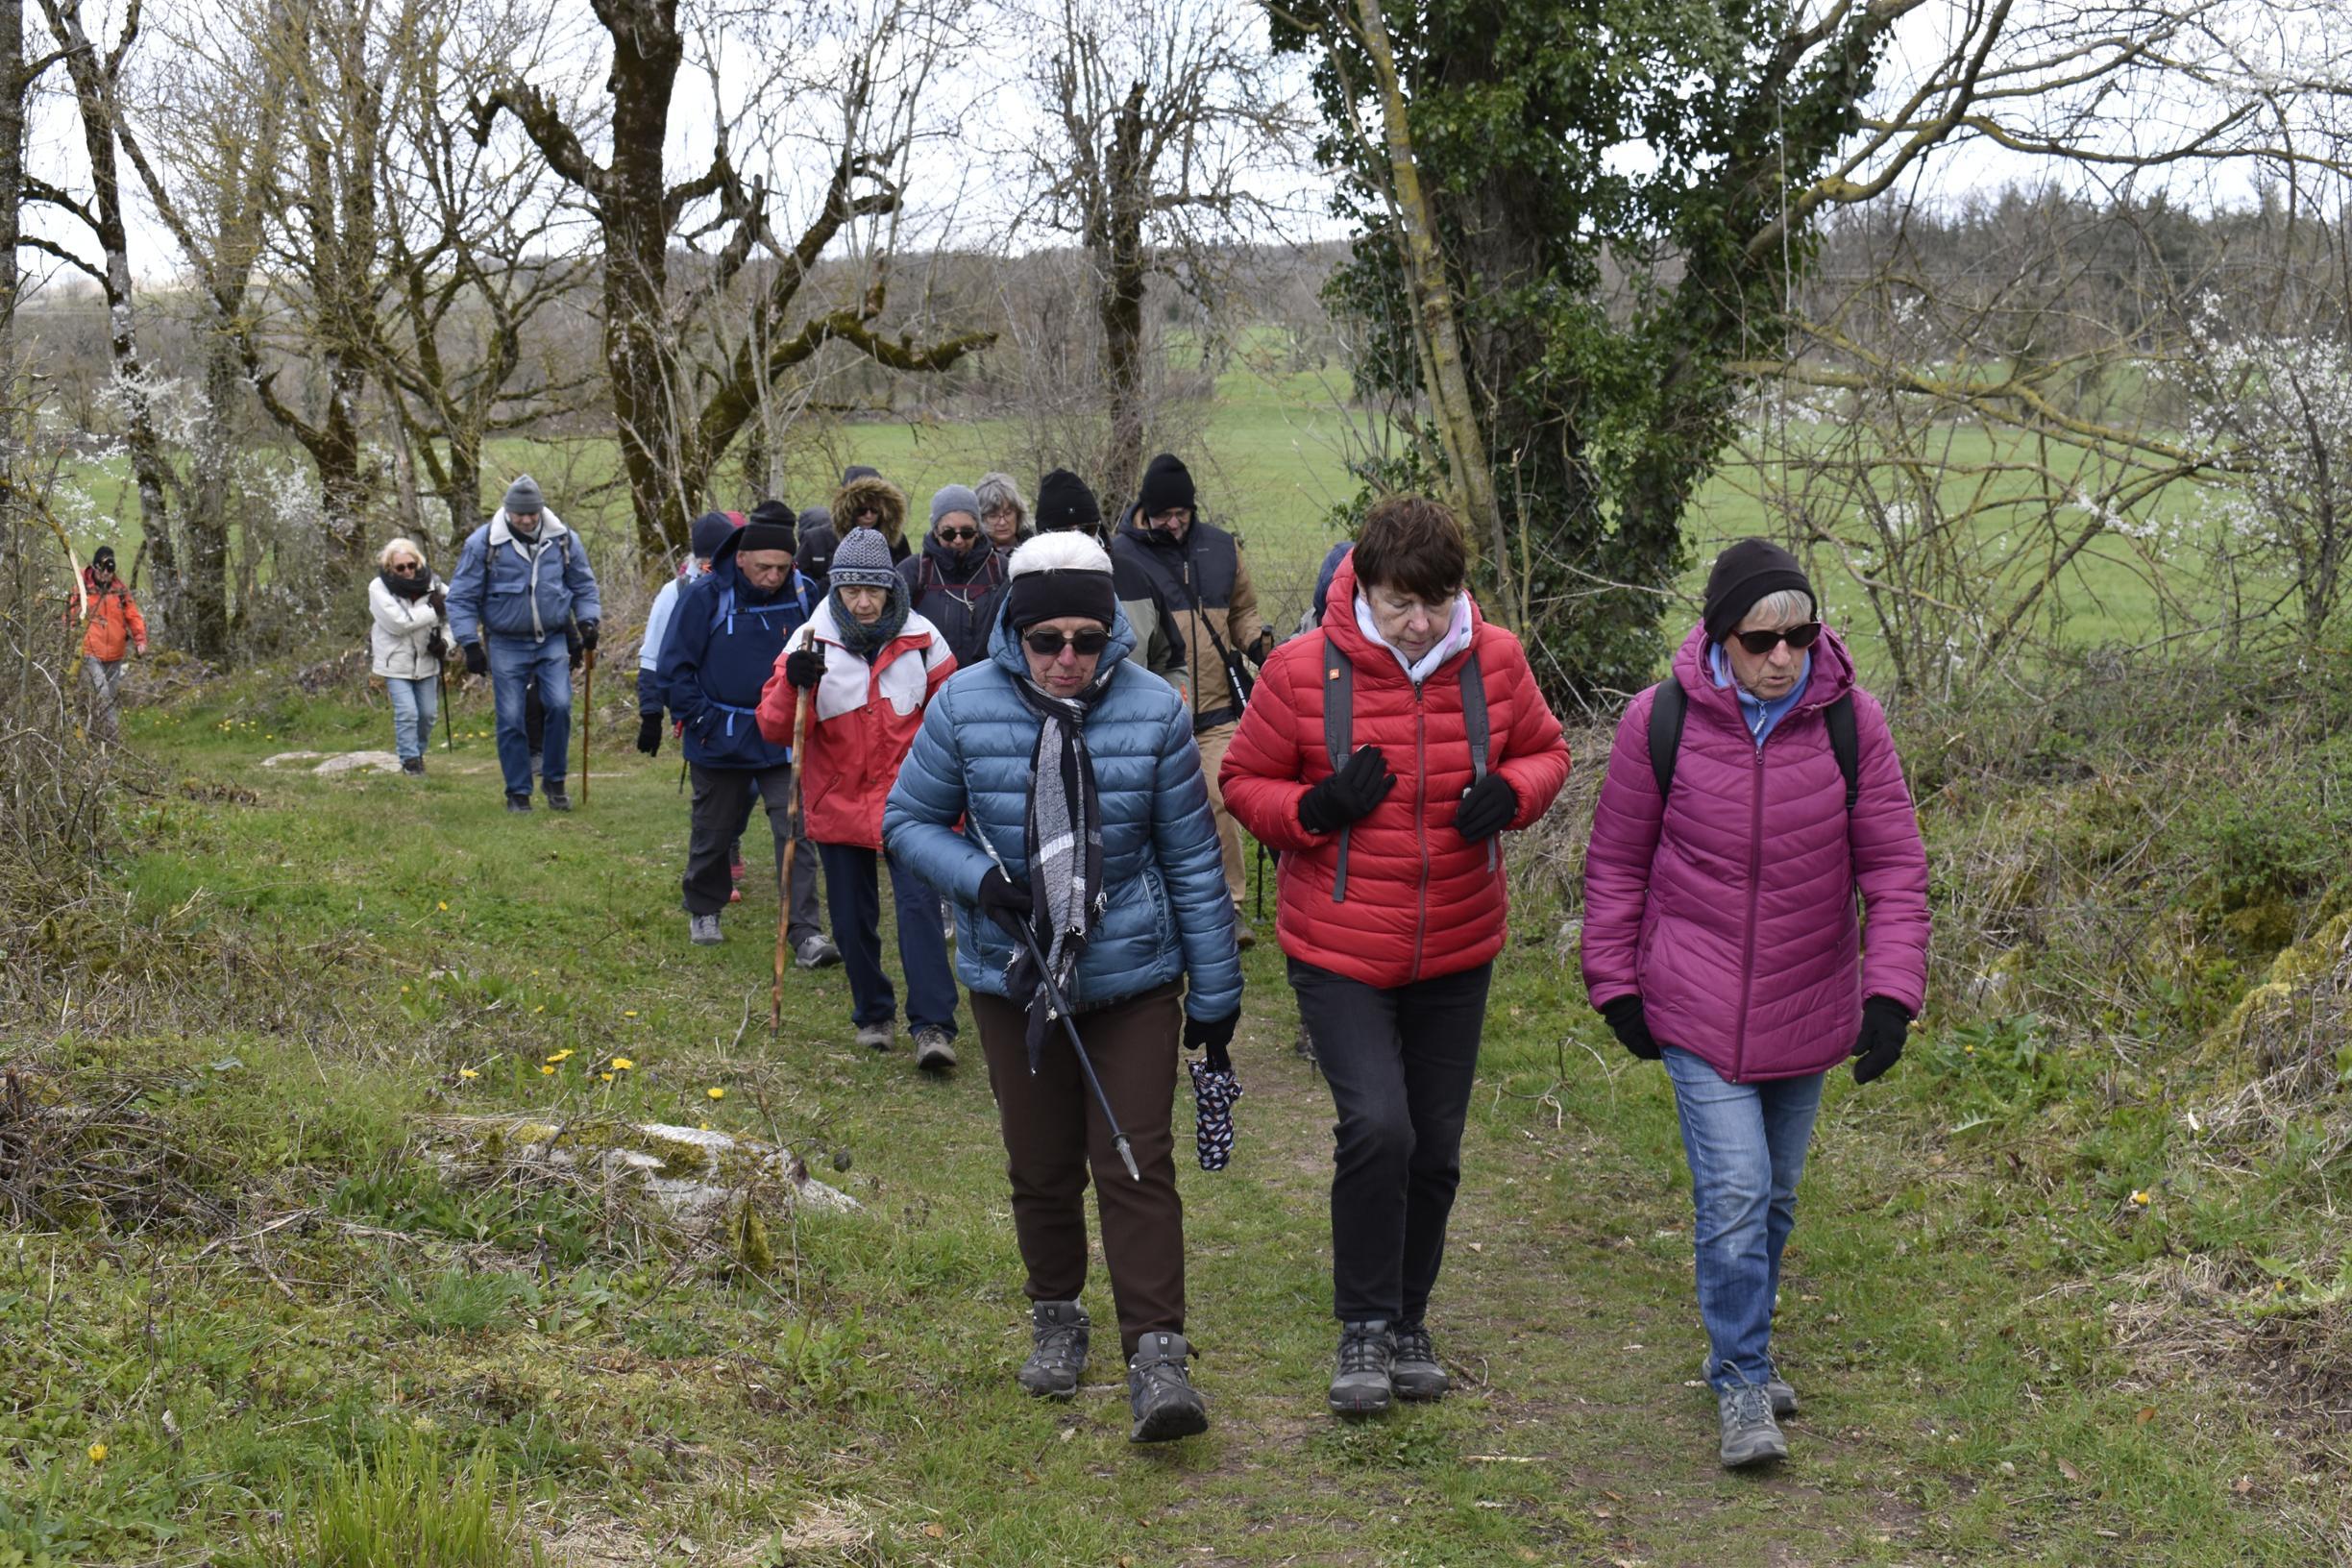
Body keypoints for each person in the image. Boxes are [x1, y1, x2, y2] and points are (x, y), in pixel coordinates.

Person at [884, 531, 1241, 1445]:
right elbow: (907, 821)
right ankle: (1057, 1315)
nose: (1068, 658)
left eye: (1087, 639)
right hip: (1013, 977)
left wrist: (1215, 994)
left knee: (1135, 1157)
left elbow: (1193, 861)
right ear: (1018, 632)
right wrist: (980, 881)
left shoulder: (1156, 711)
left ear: (1110, 630)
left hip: (1132, 975)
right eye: (1048, 641)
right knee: (1040, 1163)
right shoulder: (962, 704)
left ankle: (1158, 1356)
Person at [1580, 537, 1929, 1469]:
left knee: (1772, 1198)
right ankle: (1741, 1381)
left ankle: (1744, 1344)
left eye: (1800, 636)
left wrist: (1892, 995)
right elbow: (1616, 864)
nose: (1783, 657)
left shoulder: (1853, 723)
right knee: (1734, 1192)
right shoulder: (1658, 721)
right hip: (1693, 1000)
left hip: (1809, 1002)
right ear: (1719, 638)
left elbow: (1896, 870)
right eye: (1760, 640)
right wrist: (1614, 984)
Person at [1220, 495, 1570, 1419]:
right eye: (1399, 603)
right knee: (1380, 1127)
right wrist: (1315, 808)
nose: (1420, 623)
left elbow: (1548, 752)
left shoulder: (1496, 660)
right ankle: (1364, 1325)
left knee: (1436, 1147)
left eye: (1437, 601)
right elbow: (1243, 779)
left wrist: (1514, 794)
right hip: (1337, 945)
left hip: (1458, 941)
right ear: (1364, 590)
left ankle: (1410, 1319)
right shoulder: (1301, 670)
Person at [757, 527, 960, 1066]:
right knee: (850, 920)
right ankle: (872, 1013)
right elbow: (774, 728)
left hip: (912, 804)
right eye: (852, 591)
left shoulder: (923, 638)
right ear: (837, 589)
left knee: (919, 911)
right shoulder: (809, 640)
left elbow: (953, 721)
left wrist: (954, 801)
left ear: (891, 588)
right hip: (837, 800)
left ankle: (933, 1027)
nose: (864, 602)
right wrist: (792, 684)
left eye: (874, 590)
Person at [655, 506, 835, 962]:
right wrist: (704, 723)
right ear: (741, 559)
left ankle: (805, 932)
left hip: (783, 735)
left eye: (782, 568)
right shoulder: (704, 597)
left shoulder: (804, 594)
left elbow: (828, 655)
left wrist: (810, 675)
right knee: (714, 831)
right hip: (719, 736)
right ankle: (704, 907)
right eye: (764, 567)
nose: (773, 577)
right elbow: (674, 669)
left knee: (795, 829)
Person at [1110, 453, 1265, 940]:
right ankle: (1155, 905)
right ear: (1146, 510)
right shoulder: (1121, 557)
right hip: (1152, 714)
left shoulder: (1222, 548)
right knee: (1148, 813)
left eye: (1181, 513)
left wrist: (1264, 646)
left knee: (1220, 799)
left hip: (1217, 711)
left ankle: (1228, 907)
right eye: (1164, 515)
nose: (1174, 523)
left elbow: (1242, 613)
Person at [446, 475, 600, 812]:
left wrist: (588, 621)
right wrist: (470, 643)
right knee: (511, 716)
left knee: (559, 705)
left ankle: (555, 782)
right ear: (508, 511)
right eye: (520, 514)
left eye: (533, 513)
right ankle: (518, 792)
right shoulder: (483, 544)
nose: (528, 520)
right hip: (505, 642)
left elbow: (584, 586)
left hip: (552, 638)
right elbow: (461, 597)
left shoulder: (563, 540)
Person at [1037, 468, 1185, 690]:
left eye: (1086, 529)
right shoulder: (1020, 587)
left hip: (1135, 710)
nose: (1077, 539)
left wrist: (1173, 708)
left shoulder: (1134, 577)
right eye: (1064, 532)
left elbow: (1171, 661)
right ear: (1043, 535)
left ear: (1098, 528)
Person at [636, 508, 741, 761]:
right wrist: (651, 714)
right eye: (709, 563)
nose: (717, 569)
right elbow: (652, 656)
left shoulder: (747, 587)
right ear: (697, 559)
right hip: (698, 711)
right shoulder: (675, 592)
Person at [898, 484, 1007, 673]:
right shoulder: (914, 571)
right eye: (949, 533)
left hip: (988, 678)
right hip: (929, 679)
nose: (958, 540)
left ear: (978, 530)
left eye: (967, 532)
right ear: (935, 530)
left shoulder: (1000, 570)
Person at [368, 537, 448, 775]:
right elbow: (398, 624)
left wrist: (445, 643)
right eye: (400, 567)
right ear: (389, 567)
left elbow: (454, 617)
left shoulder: (436, 585)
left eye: (411, 565)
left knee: (428, 714)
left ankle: (417, 754)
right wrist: (433, 610)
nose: (407, 571)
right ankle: (410, 761)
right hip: (395, 661)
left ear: (418, 563)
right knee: (407, 713)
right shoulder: (378, 588)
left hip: (427, 659)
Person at [67, 544, 147, 743]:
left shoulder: (119, 590)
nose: (105, 576)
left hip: (115, 654)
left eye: (109, 572)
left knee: (108, 697)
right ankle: (113, 739)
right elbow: (70, 617)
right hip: (90, 652)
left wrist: (140, 638)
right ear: (95, 568)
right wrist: (71, 638)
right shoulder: (82, 589)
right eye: (102, 571)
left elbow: (133, 615)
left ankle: (96, 737)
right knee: (101, 693)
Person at [831, 466, 911, 564]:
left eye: (874, 510)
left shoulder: (897, 543)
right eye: (861, 510)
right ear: (848, 511)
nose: (869, 516)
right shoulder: (827, 539)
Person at [975, 472, 1032, 550]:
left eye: (1008, 513)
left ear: (1018, 514)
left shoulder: (1036, 547)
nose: (1002, 522)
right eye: (993, 516)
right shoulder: (971, 553)